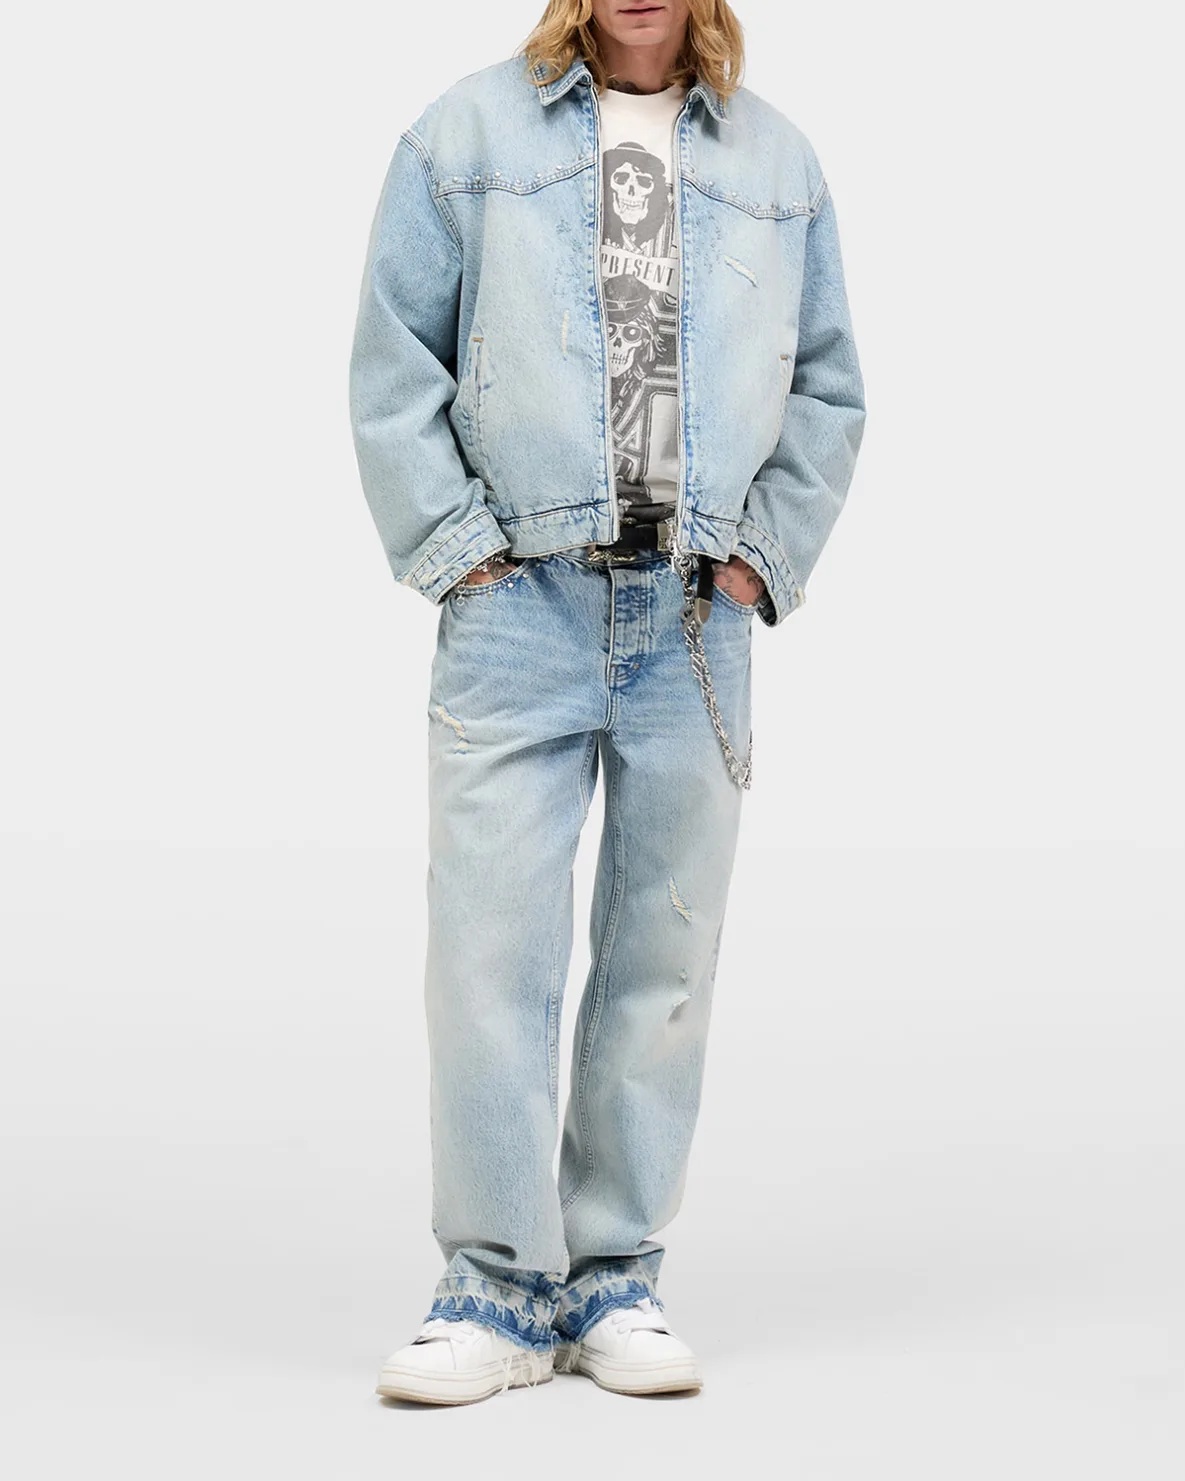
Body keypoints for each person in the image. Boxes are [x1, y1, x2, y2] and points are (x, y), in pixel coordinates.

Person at [348, 0, 865, 1405]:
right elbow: (393, 358)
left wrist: (762, 555)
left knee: (663, 957)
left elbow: (829, 384)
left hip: (695, 619)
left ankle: (613, 1275)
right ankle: (493, 1290)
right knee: (488, 956)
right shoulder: (465, 134)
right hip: (519, 608)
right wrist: (458, 547)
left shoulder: (776, 161)